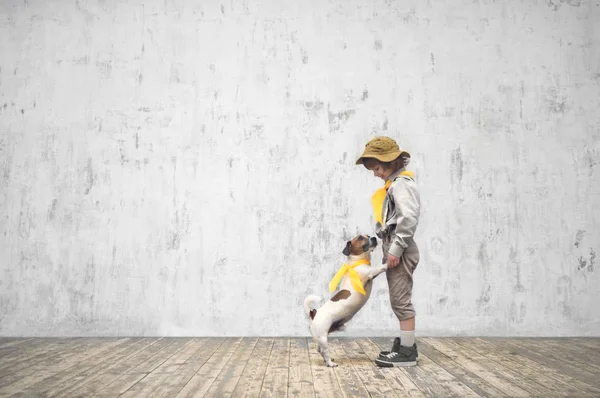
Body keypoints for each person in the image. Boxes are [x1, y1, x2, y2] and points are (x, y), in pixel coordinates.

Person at [355, 136, 421, 367]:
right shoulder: (394, 185)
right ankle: (405, 344)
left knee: (401, 301)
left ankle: (407, 352)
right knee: (397, 299)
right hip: (395, 246)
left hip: (401, 248)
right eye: (372, 169)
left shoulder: (402, 184)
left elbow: (408, 218)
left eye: (378, 167)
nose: (375, 173)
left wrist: (395, 249)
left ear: (392, 161)